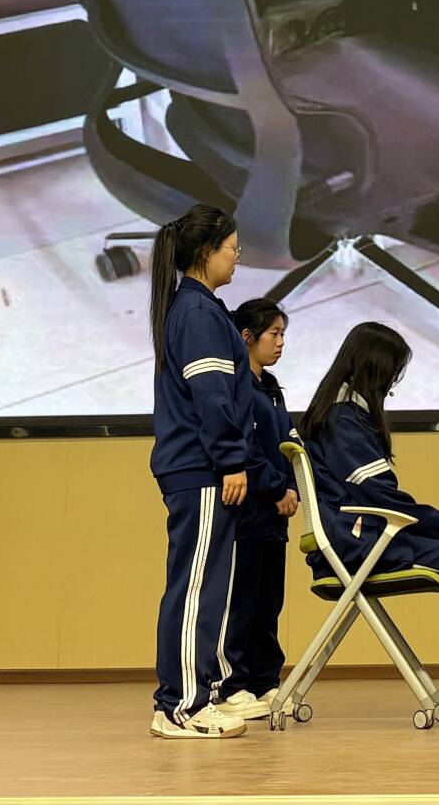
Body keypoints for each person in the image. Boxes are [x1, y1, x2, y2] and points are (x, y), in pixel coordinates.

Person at [300, 322, 439, 726]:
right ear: (373, 367)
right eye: (392, 371)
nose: (392, 382)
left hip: (355, 541)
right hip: (361, 545)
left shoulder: (338, 412)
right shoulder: (344, 419)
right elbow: (382, 497)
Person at [147, 204, 251, 740]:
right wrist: (232, 459)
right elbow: (212, 395)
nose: (237, 257)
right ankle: (179, 707)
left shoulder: (198, 308)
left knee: (206, 588)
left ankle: (199, 694)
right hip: (202, 468)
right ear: (207, 252)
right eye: (232, 249)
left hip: (199, 467)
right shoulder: (199, 313)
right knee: (195, 590)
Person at [214, 299, 301, 721]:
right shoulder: (236, 387)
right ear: (247, 337)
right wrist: (274, 487)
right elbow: (244, 449)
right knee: (242, 601)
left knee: (269, 603)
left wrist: (292, 486)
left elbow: (289, 445)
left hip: (274, 518)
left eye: (283, 334)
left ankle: (266, 680)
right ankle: (232, 685)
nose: (280, 342)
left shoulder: (272, 388)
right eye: (274, 334)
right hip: (246, 513)